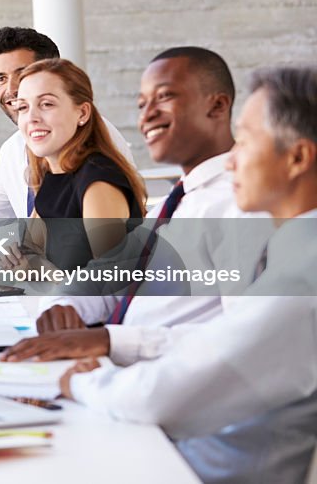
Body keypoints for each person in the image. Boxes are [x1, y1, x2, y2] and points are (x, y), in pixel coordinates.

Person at [57, 65, 317, 484]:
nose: (232, 159)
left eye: (246, 140)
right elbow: (225, 341)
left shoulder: (301, 279)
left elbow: (159, 396)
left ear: (298, 157)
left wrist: (87, 380)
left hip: (196, 468)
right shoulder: (293, 254)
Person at [2, 47, 271, 362]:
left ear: (218, 105)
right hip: (119, 371)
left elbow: (247, 335)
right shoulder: (173, 205)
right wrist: (62, 307)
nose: (147, 115)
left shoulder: (239, 206)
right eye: (142, 104)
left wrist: (111, 341)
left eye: (165, 97)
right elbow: (110, 275)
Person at [0, 27, 133, 221]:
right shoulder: (29, 154)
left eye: (23, 74)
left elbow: (105, 248)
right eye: (1, 78)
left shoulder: (97, 173)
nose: (12, 89)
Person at [0, 58, 145, 271]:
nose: (31, 117)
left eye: (47, 104)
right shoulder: (51, 174)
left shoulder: (99, 180)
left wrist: (44, 272)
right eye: (22, 107)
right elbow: (30, 250)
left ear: (82, 113)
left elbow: (111, 284)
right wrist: (17, 260)